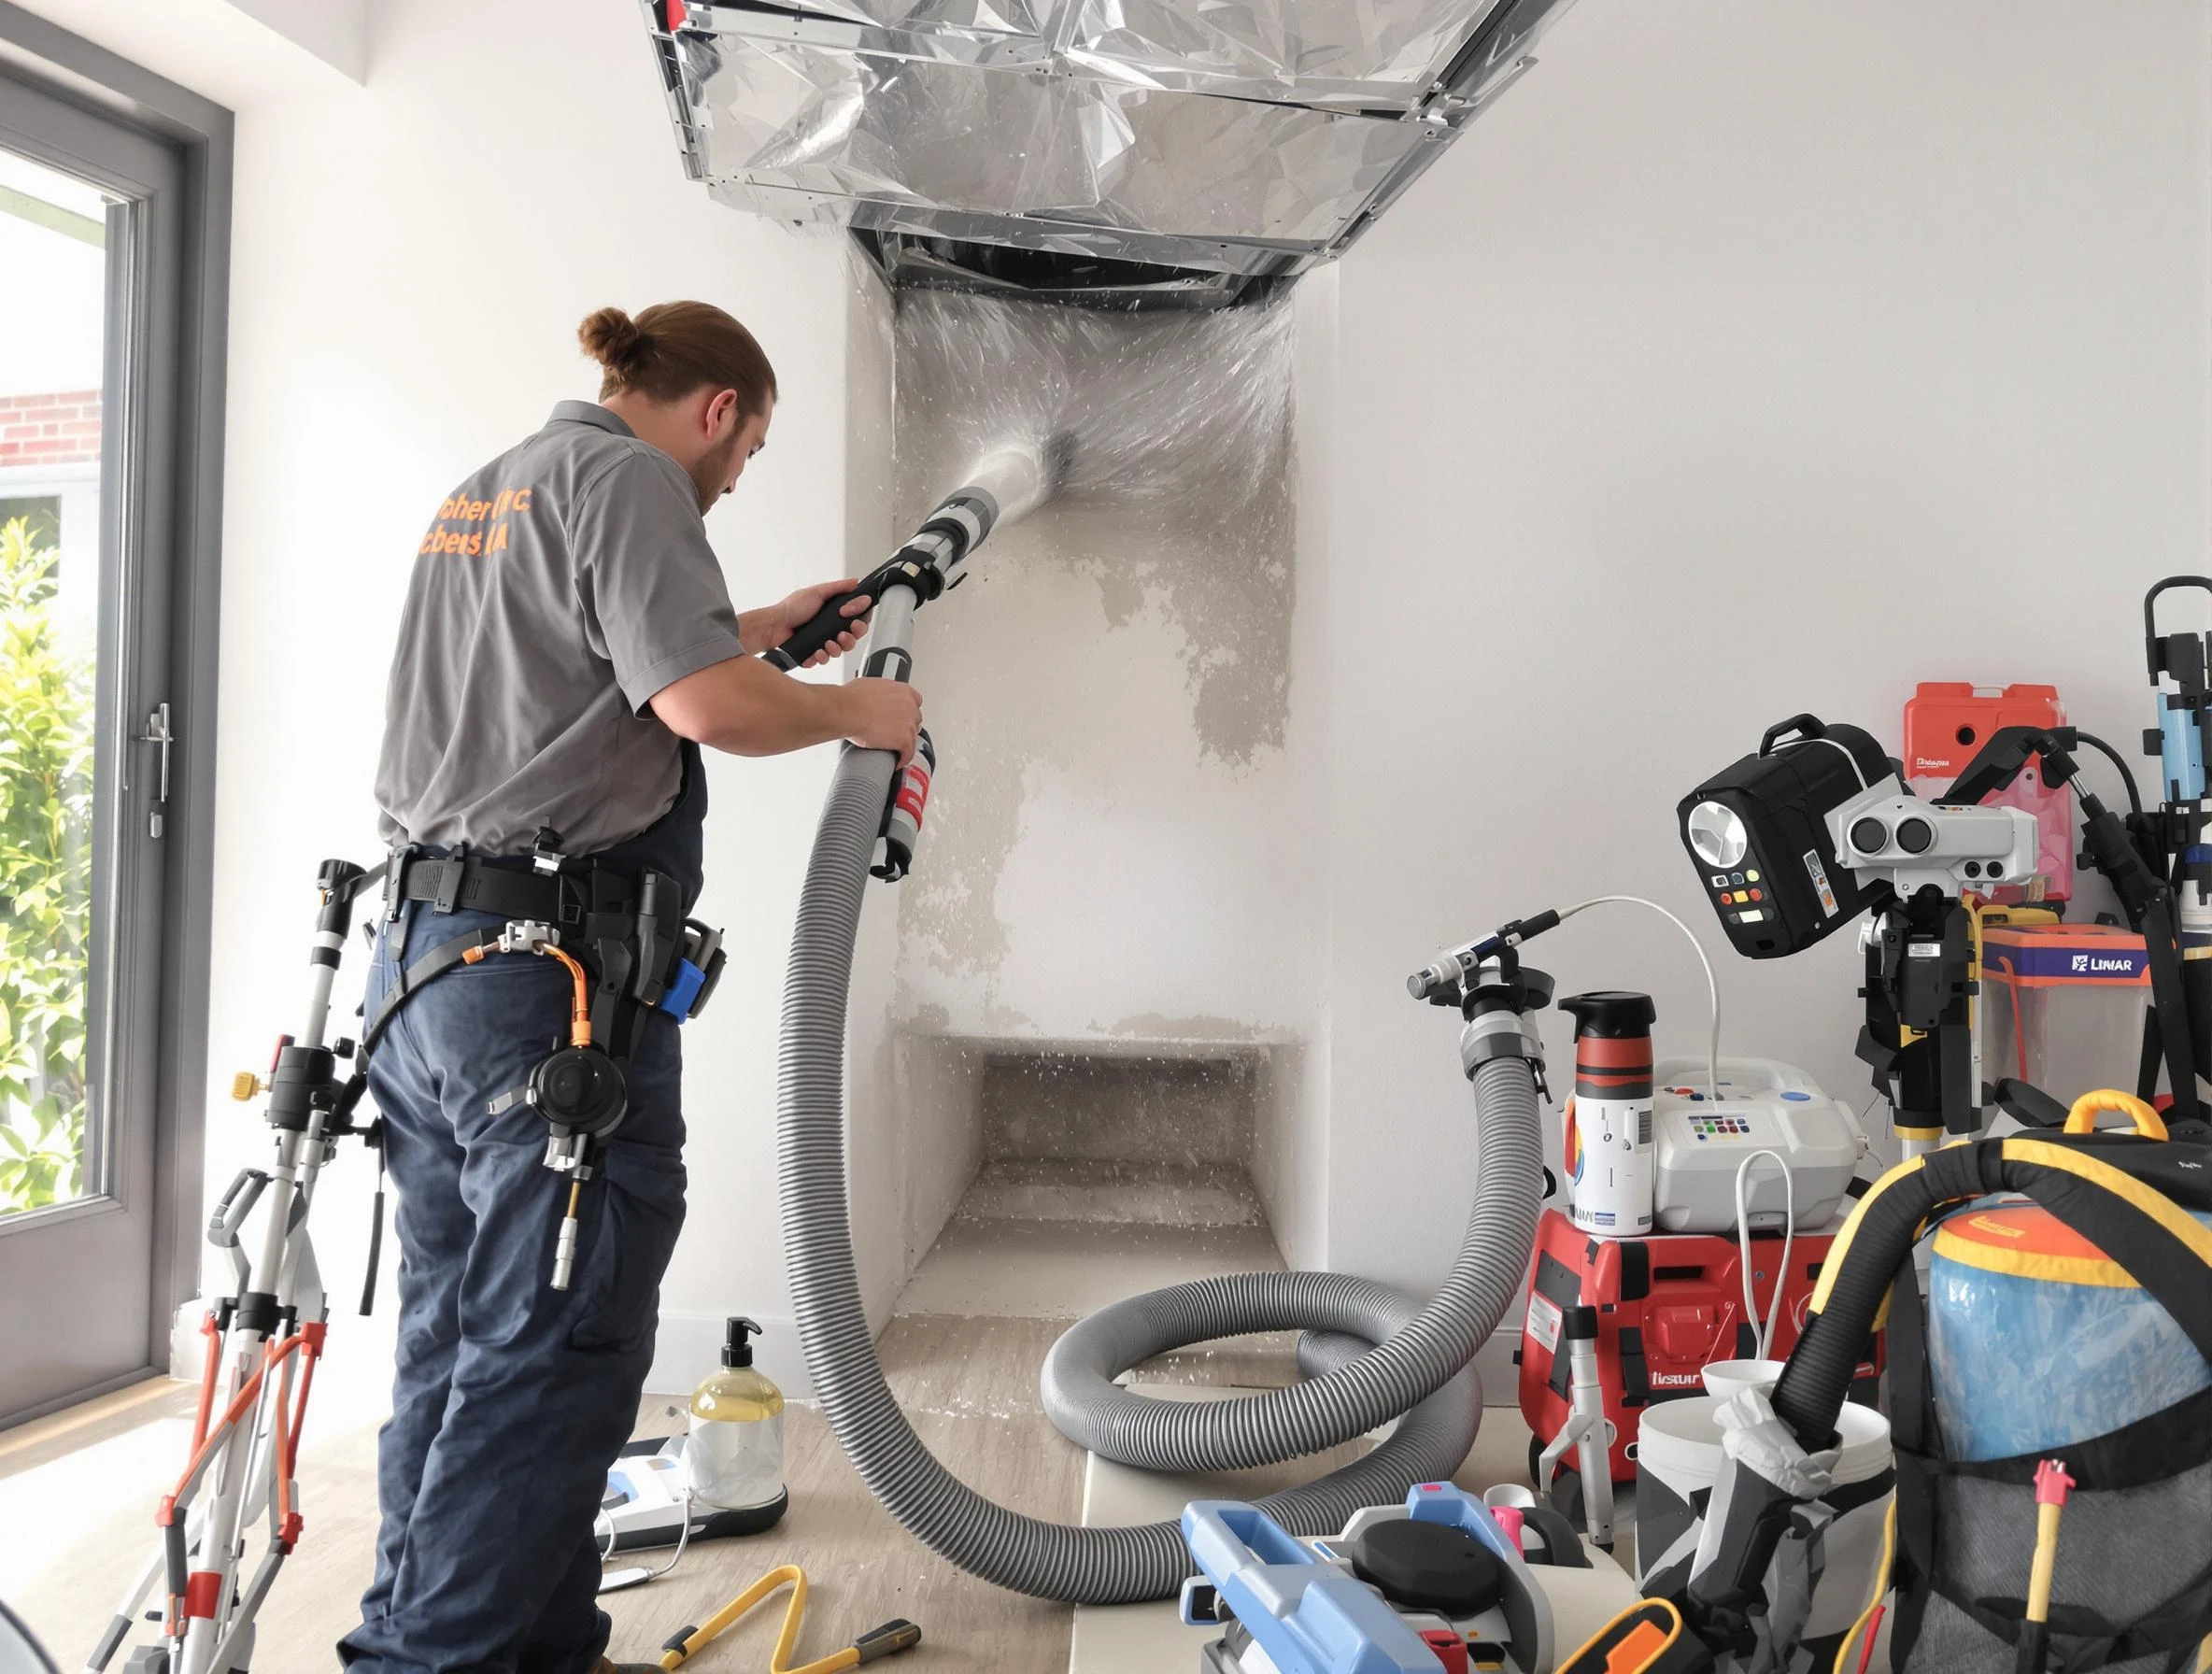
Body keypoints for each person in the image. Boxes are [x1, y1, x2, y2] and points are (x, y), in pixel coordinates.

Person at [339, 302, 919, 1674]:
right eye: (751, 449)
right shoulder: (639, 481)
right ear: (716, 408)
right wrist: (859, 714)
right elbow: (701, 710)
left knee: (466, 1332)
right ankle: (434, 1664)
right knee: (559, 1346)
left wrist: (758, 629)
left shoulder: (489, 491)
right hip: (546, 995)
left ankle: (527, 1644)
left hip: (423, 972)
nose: (735, 479)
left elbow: (578, 692)